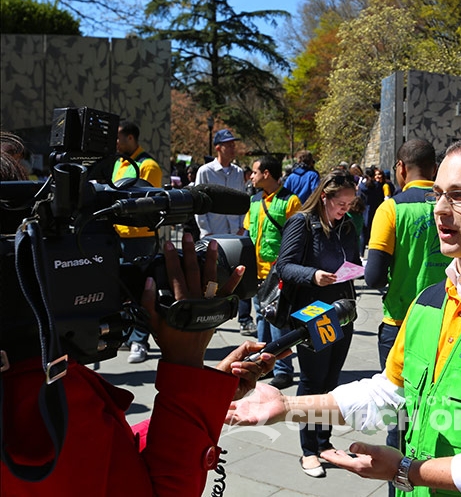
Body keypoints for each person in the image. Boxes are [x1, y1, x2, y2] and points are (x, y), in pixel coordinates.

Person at [229, 139, 461, 496]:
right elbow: (388, 394)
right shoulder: (429, 302)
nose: (441, 209)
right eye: (438, 194)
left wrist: (407, 470)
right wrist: (287, 407)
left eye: (460, 196)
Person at [1, 234, 276, 495]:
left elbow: (111, 461)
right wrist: (186, 366)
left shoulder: (33, 383)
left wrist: (205, 391)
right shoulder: (37, 394)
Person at [364, 139, 450, 494]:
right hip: (449, 322)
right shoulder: (451, 205)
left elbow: (372, 276)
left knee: (398, 415)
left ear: (400, 168)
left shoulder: (391, 208)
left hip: (400, 324)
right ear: (434, 168)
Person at [274, 169, 362, 477]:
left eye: (350, 205)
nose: (345, 210)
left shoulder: (347, 226)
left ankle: (324, 442)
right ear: (325, 196)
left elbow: (353, 259)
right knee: (312, 381)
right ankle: (308, 450)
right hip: (314, 312)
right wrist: (313, 276)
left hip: (342, 310)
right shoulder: (302, 222)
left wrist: (354, 270)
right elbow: (284, 266)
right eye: (341, 204)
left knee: (331, 380)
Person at [241, 156, 302, 389]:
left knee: (278, 322)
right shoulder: (255, 200)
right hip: (257, 272)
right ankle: (262, 365)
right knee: (262, 321)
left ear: (266, 174)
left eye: (255, 172)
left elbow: (297, 238)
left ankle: (284, 370)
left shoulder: (290, 201)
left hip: (278, 274)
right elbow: (249, 232)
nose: (252, 176)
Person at [112, 120, 163, 363]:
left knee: (142, 290)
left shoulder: (148, 166)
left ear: (131, 138)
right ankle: (127, 334)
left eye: (119, 138)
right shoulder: (119, 164)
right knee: (123, 290)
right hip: (119, 236)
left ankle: (140, 340)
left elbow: (148, 205)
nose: (116, 143)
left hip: (140, 238)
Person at [194, 129, 246, 238]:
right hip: (213, 233)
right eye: (228, 146)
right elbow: (199, 203)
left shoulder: (238, 172)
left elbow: (242, 201)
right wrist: (206, 231)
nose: (233, 148)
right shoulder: (205, 171)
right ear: (218, 148)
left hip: (236, 233)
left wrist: (242, 227)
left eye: (233, 145)